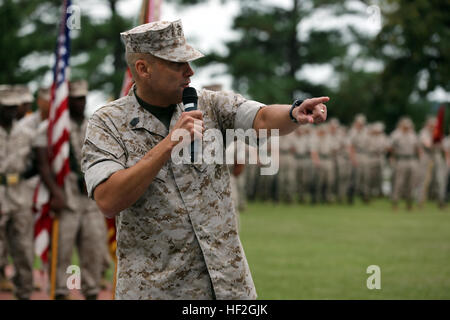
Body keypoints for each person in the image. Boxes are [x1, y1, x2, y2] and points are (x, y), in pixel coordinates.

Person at [81, 20, 329, 300]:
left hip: (228, 286)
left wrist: (294, 112)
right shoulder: (107, 123)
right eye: (177, 64)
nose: (190, 72)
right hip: (157, 290)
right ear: (143, 68)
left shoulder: (209, 105)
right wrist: (169, 143)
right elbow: (108, 199)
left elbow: (260, 117)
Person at [35, 80, 108, 300]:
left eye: (83, 98)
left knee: (93, 249)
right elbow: (43, 164)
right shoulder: (52, 128)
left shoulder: (95, 126)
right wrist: (56, 192)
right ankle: (64, 291)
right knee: (64, 251)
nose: (80, 103)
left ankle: (91, 291)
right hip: (66, 197)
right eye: (75, 98)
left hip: (92, 199)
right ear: (66, 101)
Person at [0, 87, 35, 299]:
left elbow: (36, 162)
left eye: (14, 107)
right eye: (6, 108)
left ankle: (25, 291)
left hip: (20, 191)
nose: (11, 112)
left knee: (23, 246)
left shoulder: (26, 133)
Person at [389, 117, 421, 210]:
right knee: (399, 182)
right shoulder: (395, 135)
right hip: (401, 160)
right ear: (401, 125)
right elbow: (390, 147)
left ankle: (409, 203)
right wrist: (392, 157)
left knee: (412, 183)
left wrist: (419, 160)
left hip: (412, 160)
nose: (407, 127)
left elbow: (417, 148)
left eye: (408, 126)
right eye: (405, 126)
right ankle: (395, 203)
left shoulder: (413, 135)